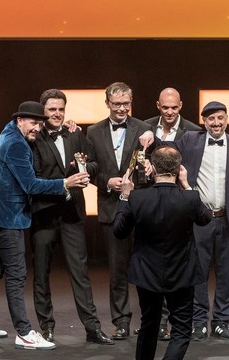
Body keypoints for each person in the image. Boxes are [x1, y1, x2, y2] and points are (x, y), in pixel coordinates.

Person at [0, 101, 89, 351]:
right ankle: (24, 333)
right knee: (16, 276)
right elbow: (31, 185)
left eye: (39, 123)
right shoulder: (16, 144)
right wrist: (65, 183)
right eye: (33, 123)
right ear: (20, 120)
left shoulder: (9, 133)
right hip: (9, 218)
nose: (37, 128)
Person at [142, 101, 229, 341]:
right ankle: (200, 322)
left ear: (227, 119)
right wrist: (149, 135)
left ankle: (221, 322)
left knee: (226, 274)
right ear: (204, 121)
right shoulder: (191, 140)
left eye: (220, 118)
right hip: (199, 219)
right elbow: (165, 149)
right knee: (198, 274)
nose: (216, 123)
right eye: (211, 119)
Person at [114, 146, 210, 360]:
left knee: (149, 324)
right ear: (178, 169)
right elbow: (206, 219)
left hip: (147, 272)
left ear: (153, 168)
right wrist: (187, 185)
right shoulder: (189, 198)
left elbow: (119, 231)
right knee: (181, 331)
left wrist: (124, 196)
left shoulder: (137, 198)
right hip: (181, 273)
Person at [29, 89, 113, 345]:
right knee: (41, 272)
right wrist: (66, 181)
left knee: (80, 272)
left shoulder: (75, 134)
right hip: (44, 213)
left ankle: (92, 328)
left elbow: (94, 164)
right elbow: (34, 177)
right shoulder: (34, 137)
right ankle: (46, 327)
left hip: (72, 213)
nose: (57, 114)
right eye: (52, 109)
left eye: (61, 109)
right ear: (43, 111)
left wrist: (84, 168)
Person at [85, 82, 153, 340]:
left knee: (148, 268)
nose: (122, 108)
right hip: (111, 208)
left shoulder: (144, 129)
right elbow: (90, 168)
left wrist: (148, 170)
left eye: (126, 103)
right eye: (117, 104)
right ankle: (121, 321)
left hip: (141, 208)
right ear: (107, 104)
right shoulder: (93, 132)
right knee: (117, 270)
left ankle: (153, 320)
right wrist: (106, 181)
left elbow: (154, 164)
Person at [142, 87, 203, 340]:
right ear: (158, 105)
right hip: (151, 203)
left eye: (174, 107)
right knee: (152, 263)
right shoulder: (144, 127)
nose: (169, 112)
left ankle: (176, 321)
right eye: (165, 107)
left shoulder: (193, 130)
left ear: (181, 106)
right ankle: (156, 321)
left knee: (178, 264)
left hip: (179, 205)